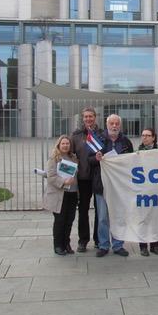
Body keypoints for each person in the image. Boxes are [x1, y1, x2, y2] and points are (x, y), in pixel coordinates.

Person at [90, 114, 134, 257]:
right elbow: (88, 159)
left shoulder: (126, 141)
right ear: (107, 124)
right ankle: (103, 245)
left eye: (117, 124)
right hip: (102, 185)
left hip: (119, 187)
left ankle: (118, 245)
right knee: (102, 217)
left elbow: (131, 162)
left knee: (119, 217)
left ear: (120, 126)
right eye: (112, 123)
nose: (114, 126)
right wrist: (96, 159)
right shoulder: (99, 140)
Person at [71, 106, 103, 252]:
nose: (88, 119)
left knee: (99, 210)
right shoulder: (76, 136)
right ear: (82, 118)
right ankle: (83, 240)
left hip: (98, 178)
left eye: (91, 116)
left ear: (95, 117)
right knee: (83, 210)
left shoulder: (102, 134)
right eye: (86, 116)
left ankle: (98, 239)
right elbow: (70, 155)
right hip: (83, 178)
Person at [44, 135, 79, 256]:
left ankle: (66, 243)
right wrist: (63, 182)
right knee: (60, 221)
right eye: (63, 144)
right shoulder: (54, 158)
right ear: (59, 145)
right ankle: (58, 245)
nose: (65, 146)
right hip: (60, 194)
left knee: (69, 220)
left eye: (67, 144)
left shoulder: (73, 157)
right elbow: (51, 177)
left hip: (72, 193)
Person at [137, 128, 158, 257]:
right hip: (143, 191)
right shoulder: (137, 152)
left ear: (153, 138)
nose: (145, 137)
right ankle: (143, 246)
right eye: (143, 135)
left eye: (148, 135)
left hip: (156, 190)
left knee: (155, 218)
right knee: (143, 218)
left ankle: (154, 245)